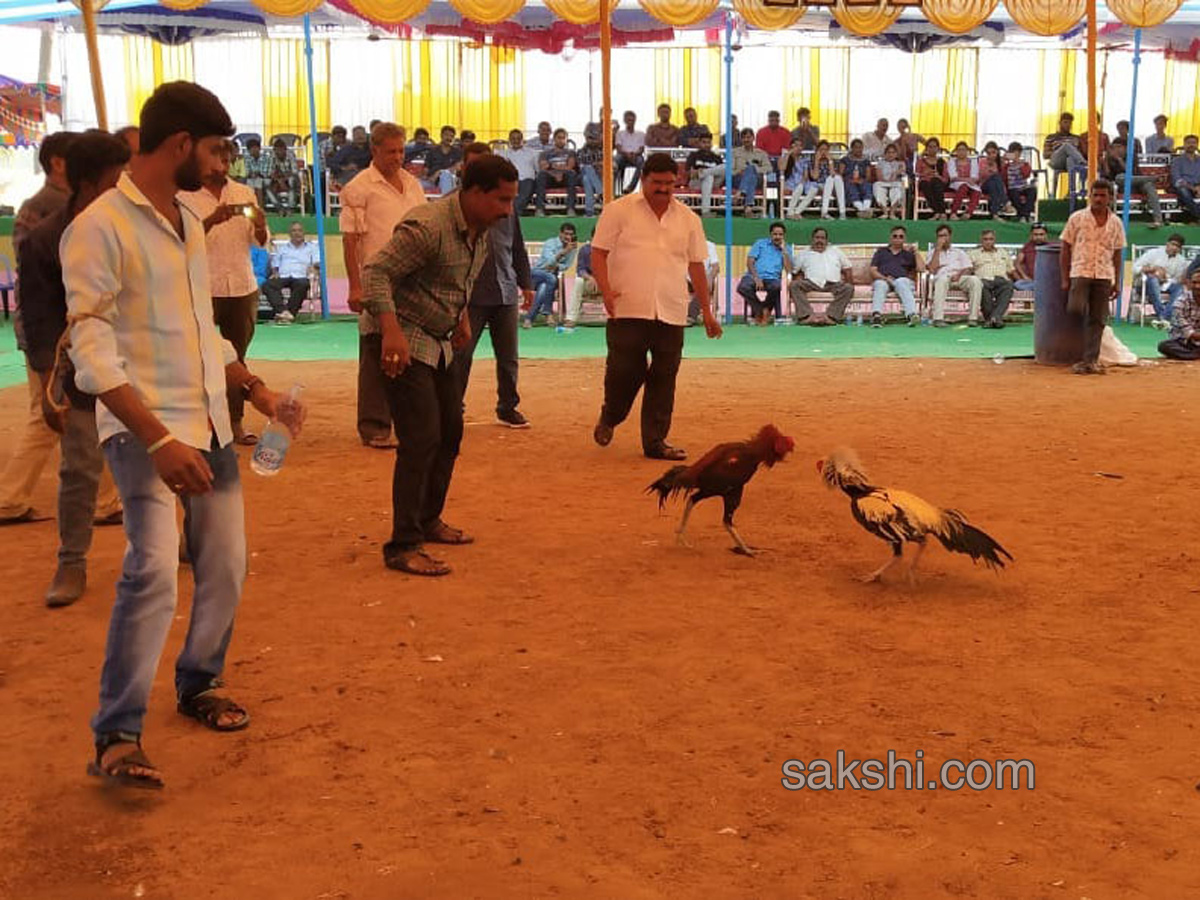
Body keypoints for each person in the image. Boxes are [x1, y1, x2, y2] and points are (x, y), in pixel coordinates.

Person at [63, 82, 305, 789]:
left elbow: (203, 333)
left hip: (204, 423)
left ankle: (198, 681)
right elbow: (92, 351)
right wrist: (158, 440)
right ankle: (116, 734)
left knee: (227, 563)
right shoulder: (99, 227)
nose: (223, 160)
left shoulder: (190, 222)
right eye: (217, 147)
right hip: (143, 431)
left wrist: (254, 391)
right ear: (180, 145)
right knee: (152, 571)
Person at [362, 155, 519, 577]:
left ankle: (428, 520)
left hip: (437, 338)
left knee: (450, 431)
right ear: (473, 192)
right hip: (401, 335)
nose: (508, 210)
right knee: (422, 437)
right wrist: (391, 333)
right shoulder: (427, 226)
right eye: (501, 200)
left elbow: (458, 281)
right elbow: (375, 273)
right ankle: (403, 545)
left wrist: (462, 317)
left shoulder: (479, 231)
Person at [19, 131, 129, 607]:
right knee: (80, 467)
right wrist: (47, 387)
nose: (124, 183)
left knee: (175, 450)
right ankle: (72, 561)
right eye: (115, 177)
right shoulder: (45, 239)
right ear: (88, 181)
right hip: (81, 367)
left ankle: (183, 542)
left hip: (143, 359)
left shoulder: (137, 226)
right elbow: (40, 317)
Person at [590, 152, 722, 460]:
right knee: (625, 371)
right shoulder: (617, 211)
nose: (663, 189)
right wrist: (606, 291)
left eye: (669, 183)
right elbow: (598, 253)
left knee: (664, 377)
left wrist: (706, 311)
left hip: (672, 310)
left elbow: (696, 267)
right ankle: (611, 416)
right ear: (644, 180)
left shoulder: (690, 219)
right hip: (627, 307)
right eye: (657, 183)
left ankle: (655, 442)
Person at [0, 130, 77, 525]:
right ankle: (9, 499)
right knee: (51, 413)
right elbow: (42, 280)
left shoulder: (49, 205)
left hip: (47, 326)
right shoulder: (53, 208)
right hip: (51, 328)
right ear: (60, 163)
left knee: (66, 414)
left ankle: (104, 498)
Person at [341, 121, 428, 449]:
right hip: (377, 279)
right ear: (374, 150)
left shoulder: (413, 184)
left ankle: (407, 421)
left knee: (413, 350)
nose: (397, 156)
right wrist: (354, 286)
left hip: (414, 280)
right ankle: (374, 425)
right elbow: (350, 242)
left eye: (401, 150)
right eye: (391, 151)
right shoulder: (358, 188)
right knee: (376, 348)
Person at [180, 139, 270, 445]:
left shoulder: (244, 193)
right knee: (197, 358)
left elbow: (260, 242)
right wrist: (210, 221)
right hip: (201, 286)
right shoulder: (183, 197)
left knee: (236, 359)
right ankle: (202, 424)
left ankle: (234, 424)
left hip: (241, 286)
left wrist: (259, 224)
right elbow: (180, 242)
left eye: (227, 158)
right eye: (217, 157)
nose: (223, 164)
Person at [451, 143, 534, 429]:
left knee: (509, 357)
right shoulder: (451, 207)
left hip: (505, 289)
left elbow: (517, 247)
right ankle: (453, 407)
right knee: (461, 355)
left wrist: (526, 283)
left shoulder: (507, 207)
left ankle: (508, 407)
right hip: (469, 296)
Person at [1059, 179, 1126, 375]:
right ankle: (1082, 350)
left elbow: (1118, 253)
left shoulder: (1116, 223)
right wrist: (1064, 278)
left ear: (1110, 198)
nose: (1098, 199)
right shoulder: (1077, 218)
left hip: (1104, 275)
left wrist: (1117, 281)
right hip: (1080, 272)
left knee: (1098, 319)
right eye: (1095, 195)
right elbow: (1065, 248)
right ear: (1090, 196)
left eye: (1102, 195)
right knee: (1076, 308)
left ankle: (1090, 361)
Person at [789, 226, 854, 325]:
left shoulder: (836, 251)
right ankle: (806, 316)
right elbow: (794, 271)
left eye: (822, 238)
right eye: (817, 238)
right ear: (812, 239)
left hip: (833, 283)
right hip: (811, 283)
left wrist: (849, 283)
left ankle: (831, 317)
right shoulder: (804, 253)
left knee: (849, 288)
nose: (819, 240)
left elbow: (847, 268)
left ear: (827, 240)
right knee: (794, 285)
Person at [737, 222, 793, 325]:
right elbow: (750, 262)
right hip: (753, 276)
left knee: (776, 287)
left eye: (780, 235)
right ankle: (762, 310)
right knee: (743, 287)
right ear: (770, 234)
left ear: (783, 236)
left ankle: (760, 313)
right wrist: (757, 278)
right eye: (775, 234)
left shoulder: (787, 249)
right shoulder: (760, 243)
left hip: (772, 278)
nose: (777, 237)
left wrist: (784, 252)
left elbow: (789, 269)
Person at [926, 223, 982, 327]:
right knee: (941, 280)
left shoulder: (959, 252)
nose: (943, 239)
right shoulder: (933, 252)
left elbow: (968, 268)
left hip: (960, 277)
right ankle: (938, 318)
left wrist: (959, 274)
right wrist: (937, 249)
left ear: (950, 236)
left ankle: (973, 318)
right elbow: (932, 269)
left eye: (945, 235)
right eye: (940, 236)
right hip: (943, 278)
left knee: (975, 280)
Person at [263, 221, 320, 322]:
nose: (297, 233)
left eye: (299, 230)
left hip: (301, 276)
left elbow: (317, 263)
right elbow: (275, 264)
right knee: (268, 285)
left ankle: (288, 313)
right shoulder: (282, 249)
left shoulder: (312, 248)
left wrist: (313, 267)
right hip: (283, 276)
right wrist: (275, 272)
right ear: (289, 234)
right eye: (294, 231)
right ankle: (283, 312)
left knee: (303, 284)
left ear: (304, 233)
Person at [869, 224, 924, 327]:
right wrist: (885, 278)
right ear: (890, 238)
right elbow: (873, 270)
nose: (898, 239)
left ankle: (911, 315)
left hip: (902, 281)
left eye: (901, 236)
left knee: (901, 281)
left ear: (904, 239)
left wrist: (916, 252)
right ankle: (876, 316)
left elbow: (921, 269)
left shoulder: (908, 254)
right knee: (880, 284)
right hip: (884, 279)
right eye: (895, 236)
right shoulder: (881, 252)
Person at [1103, 137, 1164, 229]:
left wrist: (1120, 160)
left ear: (1125, 148)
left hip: (1136, 183)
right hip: (1120, 185)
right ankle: (1152, 178)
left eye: (1119, 147)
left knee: (1149, 186)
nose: (1117, 149)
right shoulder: (1109, 158)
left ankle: (1158, 220)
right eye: (1115, 147)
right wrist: (1106, 160)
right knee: (1120, 177)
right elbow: (1107, 175)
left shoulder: (1131, 156)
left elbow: (1130, 172)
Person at [525, 221, 578, 326]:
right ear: (560, 233)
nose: (568, 237)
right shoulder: (550, 243)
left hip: (552, 277)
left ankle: (529, 318)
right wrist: (563, 252)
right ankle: (548, 313)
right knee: (551, 278)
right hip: (536, 274)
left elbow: (566, 266)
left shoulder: (572, 249)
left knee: (544, 287)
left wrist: (556, 266)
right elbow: (549, 262)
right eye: (566, 234)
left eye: (571, 234)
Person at [1133, 233, 1190, 326]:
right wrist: (1152, 269)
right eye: (1173, 244)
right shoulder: (1153, 253)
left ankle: (1163, 316)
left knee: (1180, 288)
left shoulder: (1181, 260)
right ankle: (1163, 316)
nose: (1174, 248)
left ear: (1180, 249)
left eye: (1178, 246)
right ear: (1167, 244)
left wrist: (1165, 278)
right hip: (1145, 284)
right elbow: (1135, 268)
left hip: (1166, 284)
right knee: (1153, 280)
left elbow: (1176, 279)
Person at [969, 229, 1017, 328]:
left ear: (994, 240)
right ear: (981, 241)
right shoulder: (973, 254)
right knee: (981, 286)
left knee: (1008, 285)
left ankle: (993, 318)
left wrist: (1021, 281)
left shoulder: (1003, 252)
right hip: (983, 280)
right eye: (985, 239)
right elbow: (968, 270)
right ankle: (995, 319)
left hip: (1001, 280)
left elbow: (1011, 271)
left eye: (991, 239)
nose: (988, 242)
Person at [535, 127, 579, 216]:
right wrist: (555, 173)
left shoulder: (571, 153)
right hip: (550, 178)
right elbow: (543, 167)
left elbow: (570, 167)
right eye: (559, 138)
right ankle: (539, 209)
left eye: (563, 138)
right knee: (541, 175)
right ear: (554, 139)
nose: (561, 140)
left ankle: (570, 209)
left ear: (566, 140)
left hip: (565, 178)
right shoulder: (545, 153)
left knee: (572, 174)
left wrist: (552, 167)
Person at [1157, 270, 1200, 360]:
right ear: (1189, 284)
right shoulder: (1180, 302)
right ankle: (1195, 355)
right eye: (1194, 282)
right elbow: (1189, 333)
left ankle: (1190, 356)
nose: (1197, 286)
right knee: (1164, 346)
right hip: (1184, 342)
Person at [1043, 112, 1087, 198]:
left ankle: (1071, 192)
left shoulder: (1076, 138)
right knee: (1067, 146)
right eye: (1065, 122)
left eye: (1070, 123)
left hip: (1071, 162)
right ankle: (1084, 164)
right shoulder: (1051, 137)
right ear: (1060, 123)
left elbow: (1080, 152)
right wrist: (1062, 150)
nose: (1068, 125)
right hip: (1056, 160)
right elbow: (1045, 155)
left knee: (1070, 159)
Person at [499, 129, 539, 215]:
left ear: (522, 140)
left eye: (518, 138)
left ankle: (512, 214)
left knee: (526, 188)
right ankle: (514, 215)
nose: (516, 141)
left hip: (527, 180)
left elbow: (538, 169)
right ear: (509, 140)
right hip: (509, 180)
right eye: (513, 139)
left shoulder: (533, 153)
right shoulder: (502, 154)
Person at [732, 128, 771, 216]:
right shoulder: (735, 152)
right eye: (744, 137)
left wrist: (755, 169)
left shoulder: (761, 153)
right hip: (738, 179)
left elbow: (769, 168)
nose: (746, 140)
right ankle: (748, 206)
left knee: (751, 169)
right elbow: (730, 169)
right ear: (741, 139)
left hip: (757, 179)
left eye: (749, 137)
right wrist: (739, 171)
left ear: (753, 138)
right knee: (751, 177)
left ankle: (741, 191)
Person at [686, 130, 723, 216]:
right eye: (704, 142)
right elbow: (690, 173)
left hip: (714, 182)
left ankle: (704, 173)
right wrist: (696, 173)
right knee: (708, 177)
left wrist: (704, 172)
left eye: (708, 142)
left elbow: (722, 172)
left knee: (726, 167)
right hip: (696, 181)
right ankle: (705, 211)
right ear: (699, 143)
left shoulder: (716, 157)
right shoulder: (693, 155)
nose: (706, 145)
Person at [946, 141, 982, 220]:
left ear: (967, 151)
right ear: (956, 151)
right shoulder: (952, 161)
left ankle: (968, 213)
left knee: (976, 192)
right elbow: (953, 177)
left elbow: (975, 176)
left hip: (971, 183)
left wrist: (971, 180)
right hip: (956, 183)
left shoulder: (973, 161)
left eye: (963, 150)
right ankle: (953, 213)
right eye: (959, 150)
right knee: (964, 187)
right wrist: (966, 180)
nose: (961, 152)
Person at [1002, 141, 1037, 221]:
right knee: (1014, 194)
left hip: (1023, 186)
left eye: (1017, 152)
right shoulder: (1007, 166)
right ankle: (1023, 215)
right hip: (1012, 188)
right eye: (1013, 152)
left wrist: (1020, 164)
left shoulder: (1024, 164)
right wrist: (1003, 161)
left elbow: (1026, 175)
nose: (1015, 154)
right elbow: (1002, 177)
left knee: (1032, 190)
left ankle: (1025, 214)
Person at [916, 137, 949, 219]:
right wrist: (925, 174)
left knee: (935, 182)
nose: (932, 149)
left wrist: (938, 176)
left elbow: (946, 179)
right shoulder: (921, 161)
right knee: (925, 184)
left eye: (934, 147)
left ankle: (940, 212)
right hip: (924, 182)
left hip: (938, 182)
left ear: (938, 148)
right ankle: (939, 211)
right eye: (930, 147)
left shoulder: (942, 162)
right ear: (926, 148)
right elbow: (916, 175)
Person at [576, 126, 606, 217]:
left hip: (599, 176)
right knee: (587, 169)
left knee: (587, 180)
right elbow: (580, 167)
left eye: (594, 138)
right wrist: (594, 165)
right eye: (590, 138)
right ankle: (601, 194)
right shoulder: (581, 151)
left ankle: (589, 211)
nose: (592, 141)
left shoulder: (604, 151)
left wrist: (600, 165)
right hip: (582, 175)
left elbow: (612, 165)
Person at [1169, 134, 1200, 221]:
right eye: (1189, 143)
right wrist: (1194, 188)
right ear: (1184, 145)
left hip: (1197, 186)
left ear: (1197, 145)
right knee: (1183, 191)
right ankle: (1198, 214)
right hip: (1184, 186)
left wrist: (1199, 187)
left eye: (1194, 143)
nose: (1191, 145)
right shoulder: (1177, 161)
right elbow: (1177, 180)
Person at [264, 137, 300, 213]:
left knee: (291, 181)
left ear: (285, 149)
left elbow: (294, 171)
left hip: (290, 178)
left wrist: (283, 180)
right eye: (277, 150)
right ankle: (279, 208)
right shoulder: (272, 156)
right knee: (266, 183)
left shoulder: (291, 155)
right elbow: (269, 172)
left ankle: (290, 207)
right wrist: (279, 181)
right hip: (277, 179)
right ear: (274, 150)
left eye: (281, 150)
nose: (279, 152)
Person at [425, 125, 463, 195]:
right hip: (432, 180)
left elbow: (457, 167)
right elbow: (426, 169)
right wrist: (428, 177)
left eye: (451, 136)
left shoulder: (457, 152)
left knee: (445, 175)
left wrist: (440, 172)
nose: (449, 138)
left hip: (449, 179)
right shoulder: (432, 151)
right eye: (447, 135)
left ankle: (445, 203)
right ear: (441, 135)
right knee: (415, 184)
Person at [841, 139, 873, 218]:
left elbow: (868, 176)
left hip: (862, 181)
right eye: (856, 147)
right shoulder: (845, 160)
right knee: (851, 187)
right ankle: (861, 209)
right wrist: (850, 180)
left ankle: (866, 208)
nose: (858, 150)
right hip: (849, 181)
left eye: (860, 147)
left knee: (867, 186)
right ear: (852, 148)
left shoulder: (866, 161)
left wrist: (861, 180)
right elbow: (840, 174)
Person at [1013, 222, 1049, 292]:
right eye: (1035, 235)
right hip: (1030, 282)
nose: (1038, 237)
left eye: (1041, 234)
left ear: (1046, 235)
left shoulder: (1050, 247)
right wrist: (1024, 276)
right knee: (1018, 284)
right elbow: (1017, 263)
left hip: (1047, 281)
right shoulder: (1027, 247)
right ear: (1031, 235)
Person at [873, 143, 906, 219]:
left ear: (896, 154)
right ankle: (884, 212)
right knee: (877, 186)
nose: (891, 154)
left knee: (898, 189)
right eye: (889, 152)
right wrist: (886, 181)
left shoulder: (900, 163)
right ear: (885, 154)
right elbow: (879, 176)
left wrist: (895, 173)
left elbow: (903, 172)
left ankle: (892, 213)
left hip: (895, 183)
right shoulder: (880, 163)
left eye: (893, 152)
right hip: (883, 183)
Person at [615, 110, 645, 193]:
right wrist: (626, 154)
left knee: (641, 162)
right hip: (623, 155)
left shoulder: (641, 134)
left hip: (636, 155)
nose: (630, 122)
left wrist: (634, 154)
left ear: (635, 120)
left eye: (632, 120)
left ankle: (630, 187)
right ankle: (612, 190)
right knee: (615, 161)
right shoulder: (619, 133)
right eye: (628, 120)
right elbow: (618, 148)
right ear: (624, 121)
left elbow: (641, 149)